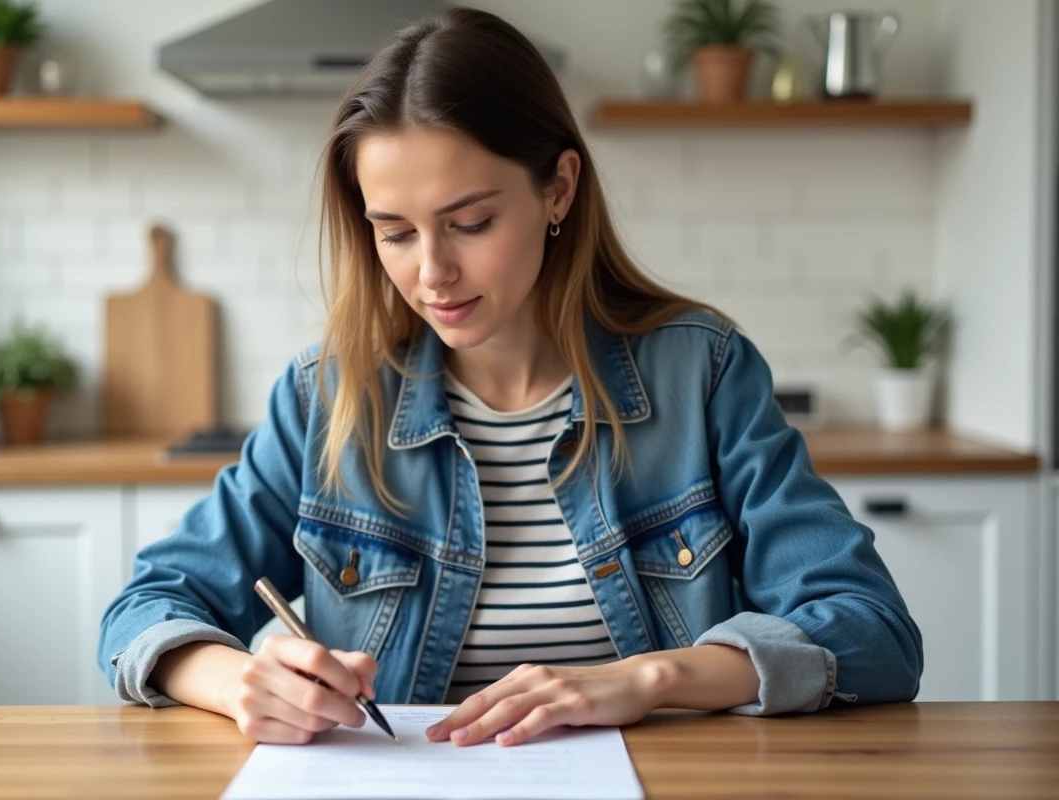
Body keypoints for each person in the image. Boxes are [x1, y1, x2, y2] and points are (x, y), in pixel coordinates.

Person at [98, 6, 922, 748]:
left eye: (471, 223)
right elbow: (146, 606)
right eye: (394, 233)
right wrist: (235, 682)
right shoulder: (328, 396)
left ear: (557, 188)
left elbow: (874, 632)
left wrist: (655, 677)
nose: (432, 274)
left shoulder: (701, 373)